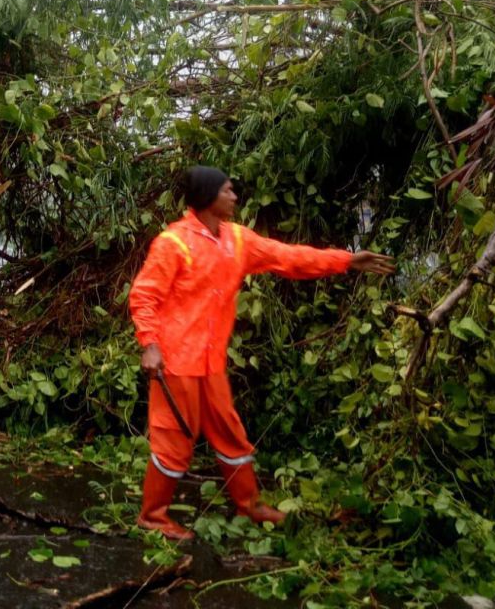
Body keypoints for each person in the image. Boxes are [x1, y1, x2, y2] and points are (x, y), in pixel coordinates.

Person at [129, 166, 395, 540]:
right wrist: (150, 345)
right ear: (208, 196)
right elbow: (144, 296)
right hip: (175, 362)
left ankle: (250, 506)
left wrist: (346, 261)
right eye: (228, 191)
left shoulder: (237, 240)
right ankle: (153, 516)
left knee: (231, 433)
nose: (235, 197)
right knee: (173, 437)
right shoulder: (173, 243)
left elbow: (288, 257)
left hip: (211, 363)